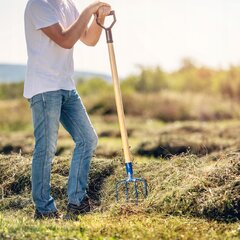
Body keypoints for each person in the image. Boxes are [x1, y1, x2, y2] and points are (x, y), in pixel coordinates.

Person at [24, 0, 111, 220]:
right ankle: (44, 209)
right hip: (44, 88)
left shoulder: (67, 5)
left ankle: (77, 201)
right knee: (46, 148)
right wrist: (88, 10)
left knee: (88, 139)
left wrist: (98, 18)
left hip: (66, 86)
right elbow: (65, 40)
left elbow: (89, 39)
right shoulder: (38, 5)